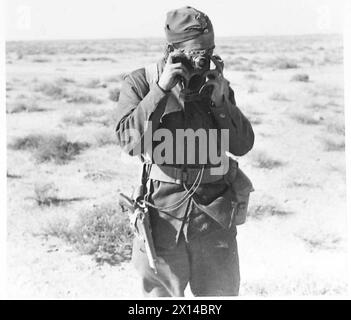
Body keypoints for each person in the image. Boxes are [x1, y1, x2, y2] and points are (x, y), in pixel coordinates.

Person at [115, 6, 254, 297]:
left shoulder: (215, 84)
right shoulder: (142, 82)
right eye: (194, 53)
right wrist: (161, 90)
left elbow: (242, 145)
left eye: (209, 51)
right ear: (172, 50)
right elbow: (129, 141)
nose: (202, 60)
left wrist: (221, 103)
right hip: (164, 216)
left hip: (213, 217)